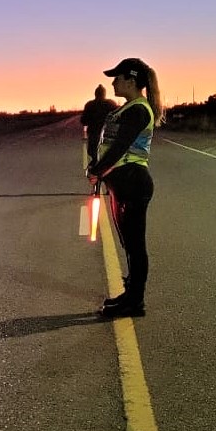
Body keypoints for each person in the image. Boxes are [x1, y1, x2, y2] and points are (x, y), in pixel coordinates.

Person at [87, 58, 164, 318]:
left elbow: (120, 147)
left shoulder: (138, 110)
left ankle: (135, 302)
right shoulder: (128, 108)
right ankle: (129, 295)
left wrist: (96, 171)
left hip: (133, 182)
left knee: (135, 245)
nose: (113, 82)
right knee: (129, 245)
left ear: (131, 81)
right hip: (123, 183)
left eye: (117, 78)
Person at [80, 84, 117, 163]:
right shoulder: (111, 104)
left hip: (95, 132)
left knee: (93, 150)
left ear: (95, 93)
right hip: (106, 132)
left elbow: (84, 120)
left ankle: (97, 163)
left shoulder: (90, 105)